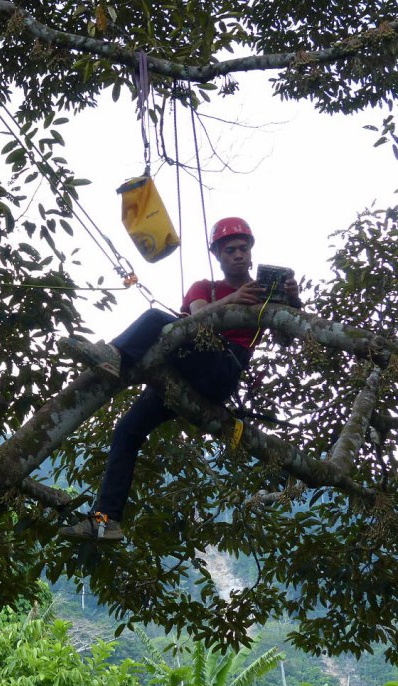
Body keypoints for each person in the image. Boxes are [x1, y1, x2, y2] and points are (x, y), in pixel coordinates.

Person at [57, 217, 301, 541]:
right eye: (230, 251)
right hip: (189, 368)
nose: (238, 255)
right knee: (127, 430)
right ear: (218, 255)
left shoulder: (268, 298)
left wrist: (293, 301)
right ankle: (106, 519)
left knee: (158, 319)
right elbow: (196, 322)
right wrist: (232, 299)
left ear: (252, 253)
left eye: (243, 249)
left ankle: (114, 356)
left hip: (223, 371)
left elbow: (287, 339)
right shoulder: (205, 288)